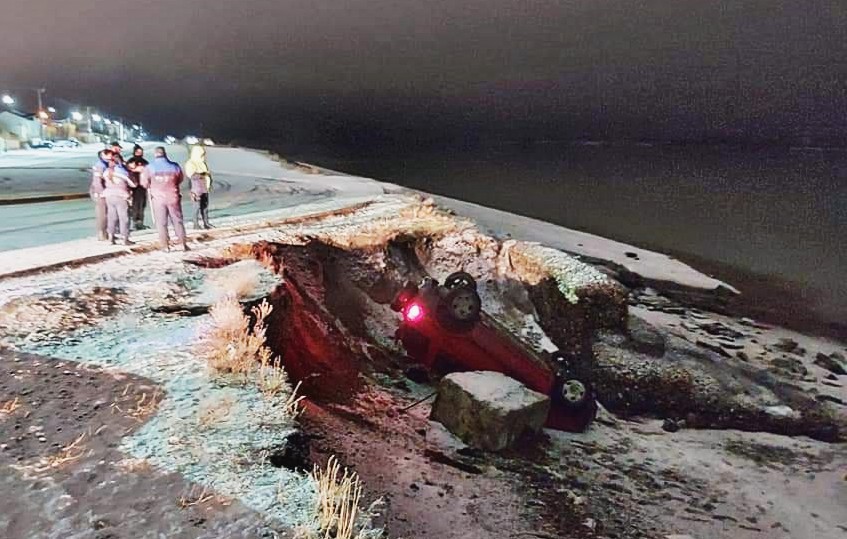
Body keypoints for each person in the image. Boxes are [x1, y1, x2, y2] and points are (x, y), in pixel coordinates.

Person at [141, 146, 189, 251]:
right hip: (173, 196)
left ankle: (165, 245)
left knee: (161, 223)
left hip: (158, 198)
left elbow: (144, 183)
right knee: (177, 220)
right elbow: (180, 178)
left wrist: (152, 184)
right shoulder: (174, 166)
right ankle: (182, 243)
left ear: (155, 154)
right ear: (165, 154)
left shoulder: (150, 167)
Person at [102, 154, 136, 245]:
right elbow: (133, 184)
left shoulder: (106, 171)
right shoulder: (122, 171)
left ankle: (111, 238)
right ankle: (125, 238)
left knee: (112, 217)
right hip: (121, 196)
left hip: (109, 196)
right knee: (124, 218)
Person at [184, 145, 213, 229]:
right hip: (196, 188)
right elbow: (191, 175)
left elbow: (207, 174)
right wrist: (203, 174)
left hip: (204, 188)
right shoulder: (190, 163)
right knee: (196, 207)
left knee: (205, 207)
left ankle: (206, 223)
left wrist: (208, 183)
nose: (203, 156)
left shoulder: (202, 163)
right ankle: (196, 224)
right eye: (201, 154)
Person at [89, 149, 113, 241]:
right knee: (102, 214)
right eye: (109, 155)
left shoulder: (105, 164)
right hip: (100, 193)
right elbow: (97, 182)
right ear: (103, 155)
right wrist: (102, 192)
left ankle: (105, 232)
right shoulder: (100, 166)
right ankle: (101, 233)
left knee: (106, 213)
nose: (111, 157)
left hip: (104, 191)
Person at [126, 144, 149, 230]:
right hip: (133, 186)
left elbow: (148, 170)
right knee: (134, 205)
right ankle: (135, 221)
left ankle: (140, 222)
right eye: (138, 152)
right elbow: (127, 171)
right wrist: (133, 169)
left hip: (142, 186)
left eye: (141, 152)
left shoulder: (145, 162)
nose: (140, 153)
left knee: (142, 204)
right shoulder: (131, 161)